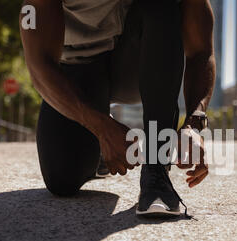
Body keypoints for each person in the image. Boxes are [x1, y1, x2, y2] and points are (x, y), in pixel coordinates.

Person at [20, 0, 216, 217]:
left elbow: (201, 51)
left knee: (162, 7)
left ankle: (156, 170)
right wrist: (101, 127)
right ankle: (98, 147)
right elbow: (39, 64)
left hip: (134, 60)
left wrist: (194, 123)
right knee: (62, 178)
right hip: (80, 63)